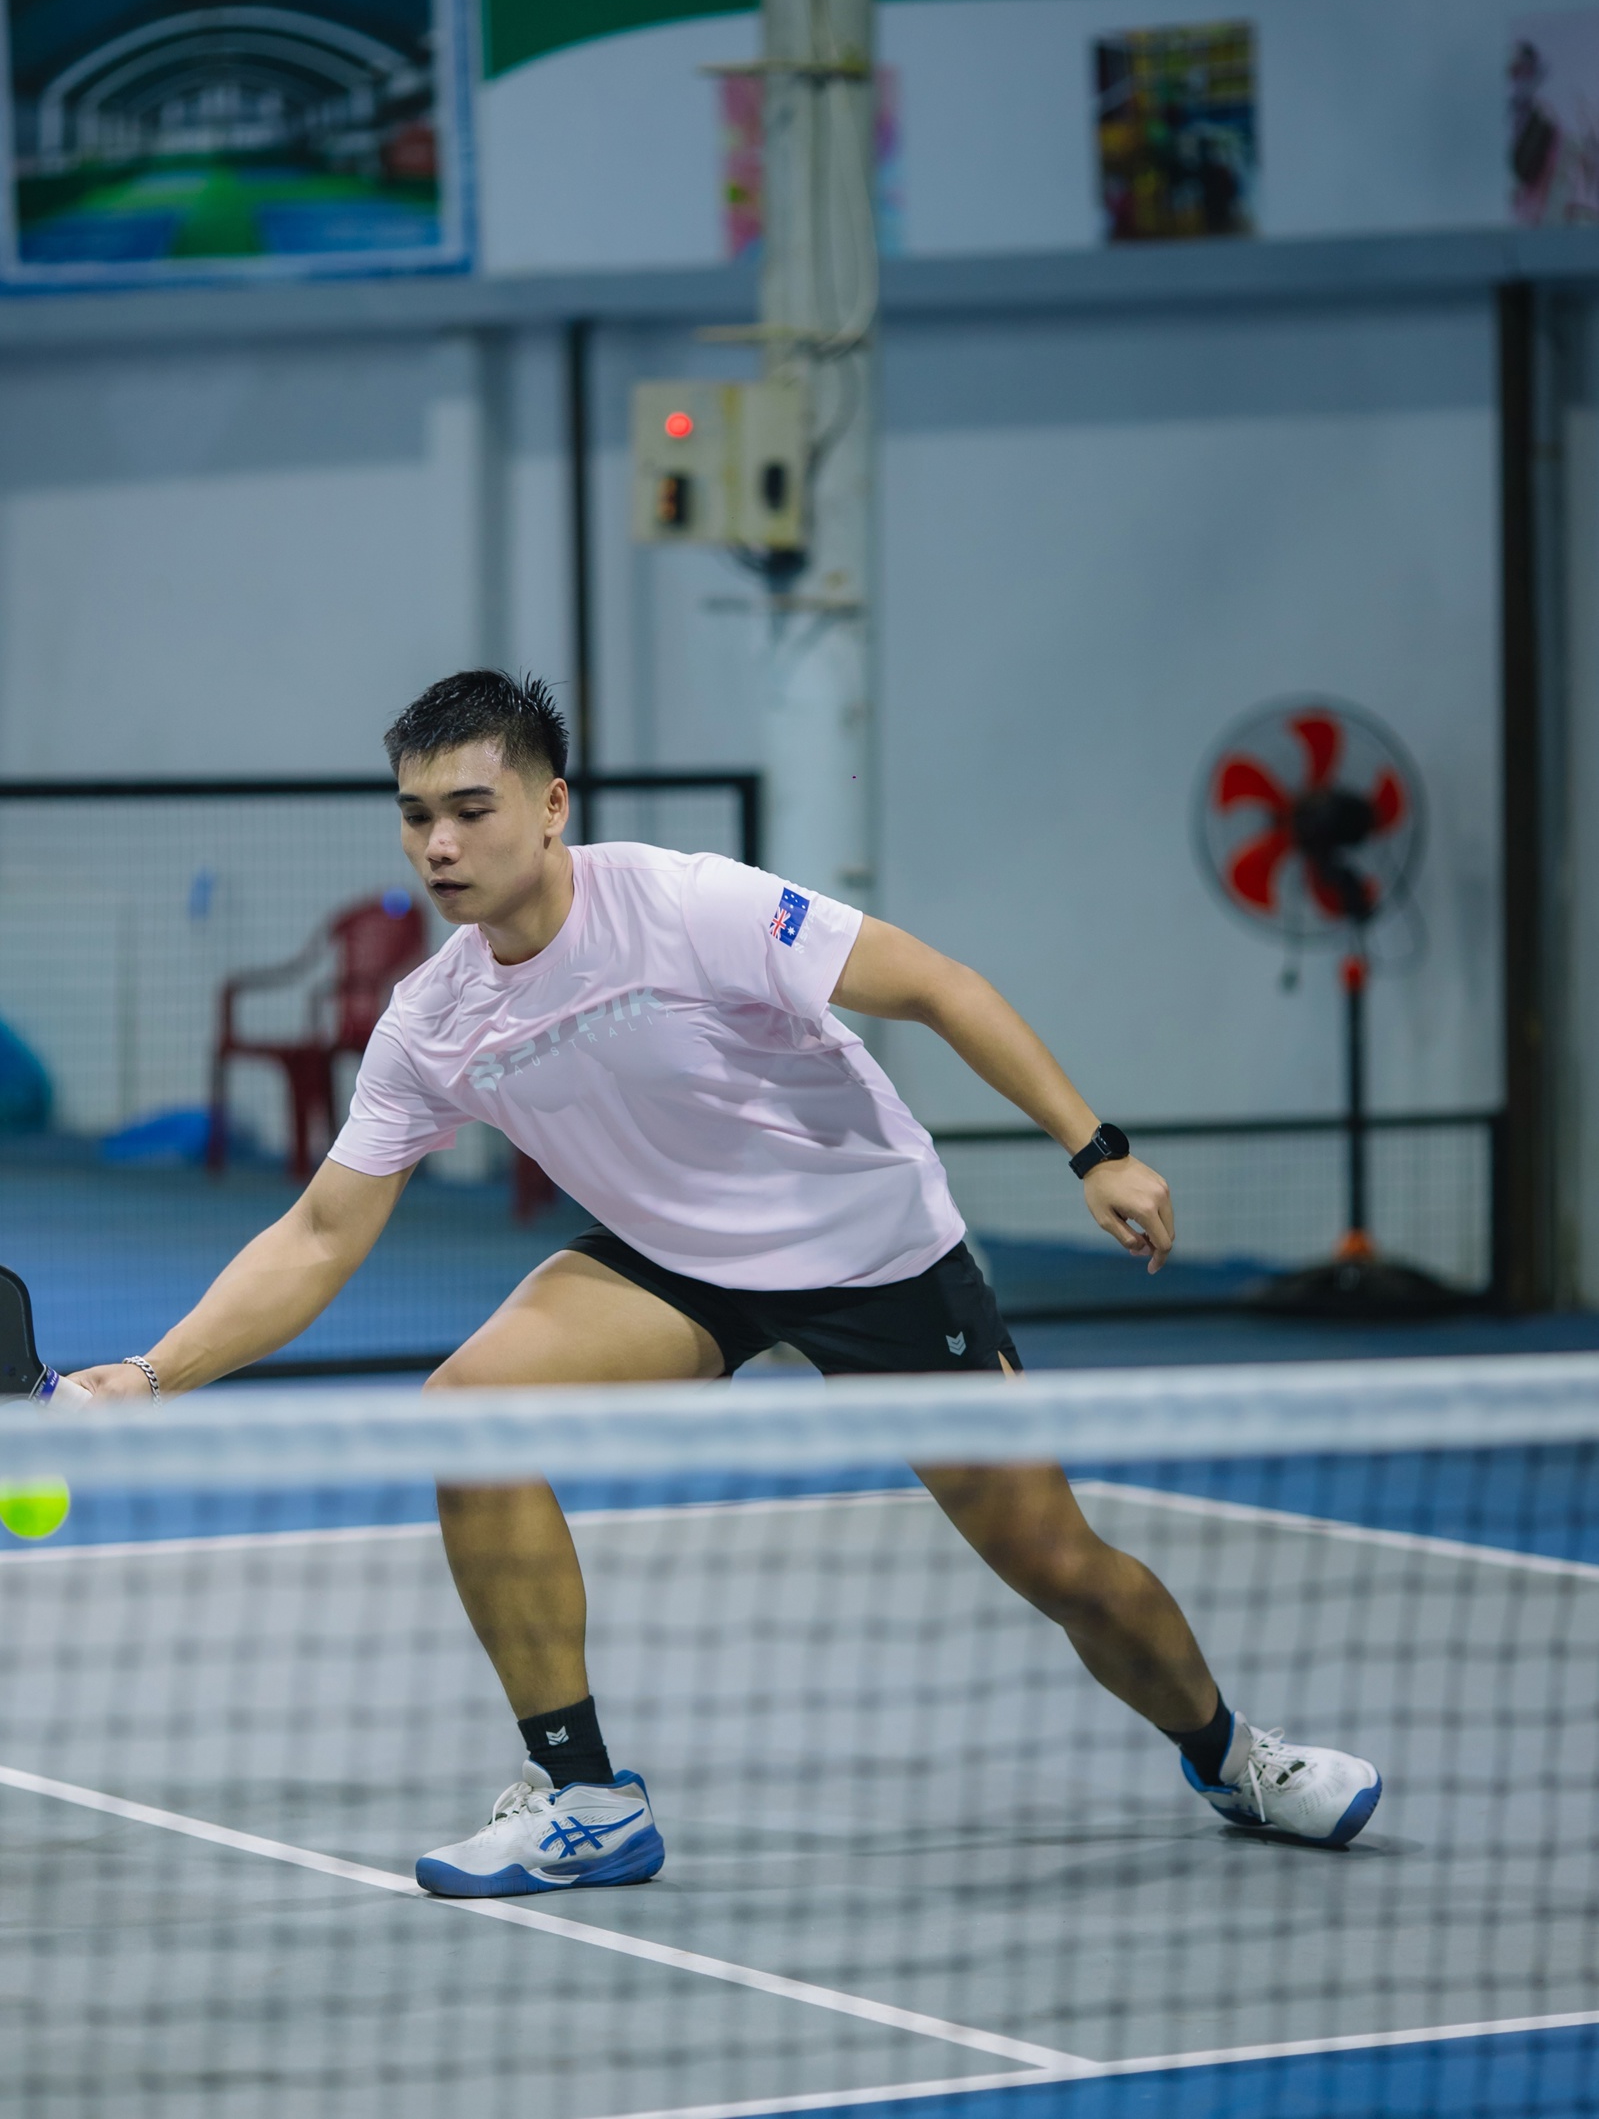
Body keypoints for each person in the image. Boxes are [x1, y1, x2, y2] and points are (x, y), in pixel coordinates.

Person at [73, 670, 1381, 1892]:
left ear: (551, 805)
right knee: (467, 1416)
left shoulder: (688, 904)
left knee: (1059, 1563)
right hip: (675, 1260)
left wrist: (1096, 1148)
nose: (439, 845)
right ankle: (587, 1796)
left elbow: (936, 985)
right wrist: (148, 1376)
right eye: (417, 816)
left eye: (471, 810)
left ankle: (1233, 1756)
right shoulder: (433, 1018)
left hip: (869, 1251)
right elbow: (320, 1234)